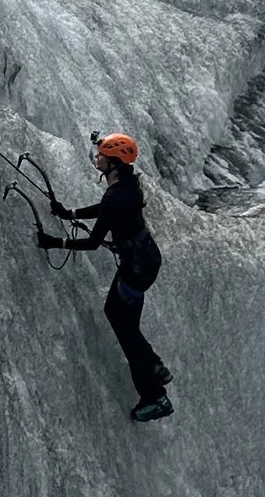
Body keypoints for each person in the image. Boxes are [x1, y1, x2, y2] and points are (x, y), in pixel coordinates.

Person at [40, 131, 173, 421]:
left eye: (102, 155)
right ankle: (154, 372)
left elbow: (92, 240)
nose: (97, 157)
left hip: (135, 268)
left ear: (114, 163)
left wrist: (55, 242)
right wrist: (69, 213)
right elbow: (106, 210)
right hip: (145, 260)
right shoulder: (126, 185)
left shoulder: (117, 193)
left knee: (122, 325)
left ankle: (155, 387)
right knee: (123, 321)